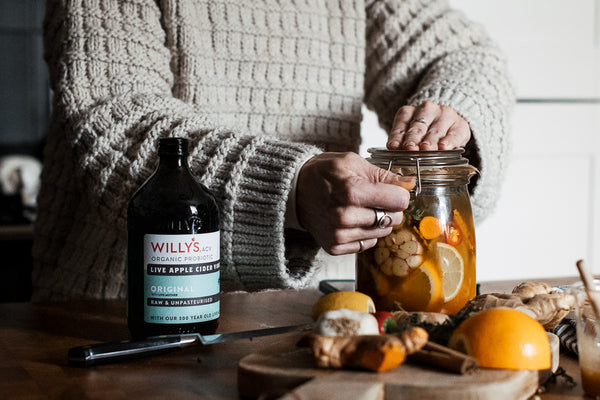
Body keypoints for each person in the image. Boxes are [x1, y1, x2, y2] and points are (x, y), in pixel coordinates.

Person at [32, 0, 514, 300]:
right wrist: (290, 187)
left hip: (313, 316)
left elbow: (462, 54)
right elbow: (116, 123)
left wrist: (451, 112)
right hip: (118, 315)